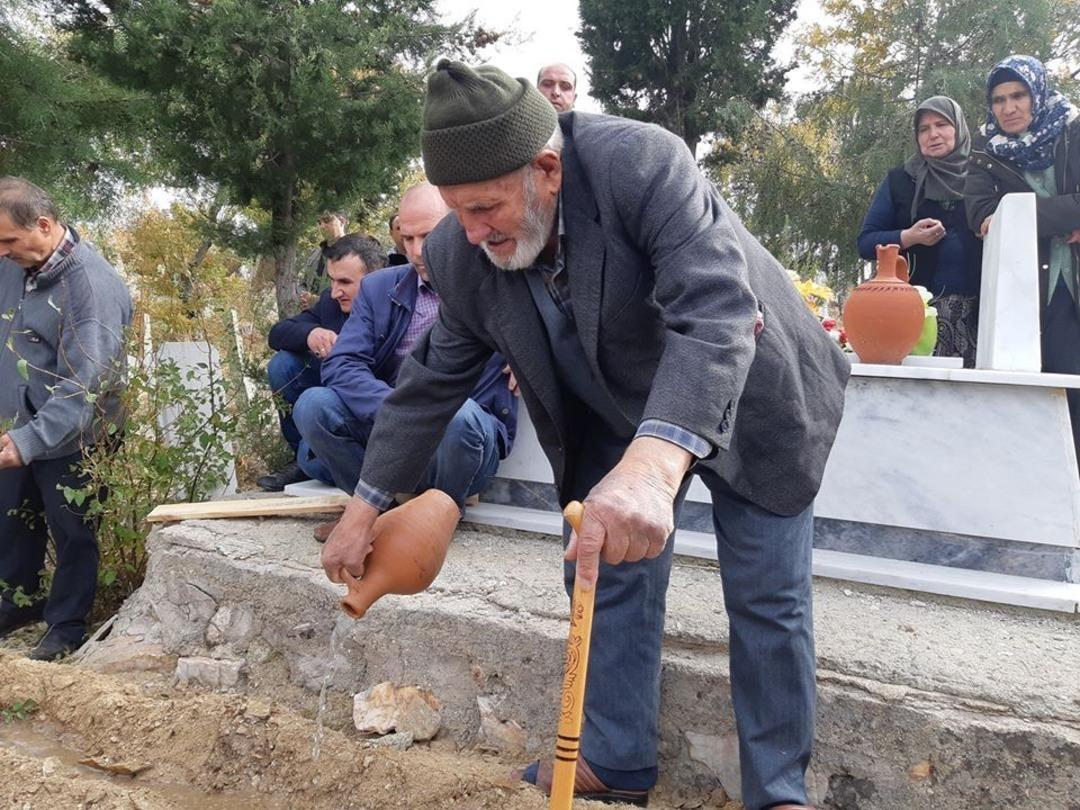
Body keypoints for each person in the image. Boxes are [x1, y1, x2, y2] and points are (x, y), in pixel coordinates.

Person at [321, 61, 849, 809]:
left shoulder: (640, 164)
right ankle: (614, 758)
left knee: (767, 595)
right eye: (455, 212)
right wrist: (363, 507)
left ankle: (779, 792)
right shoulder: (459, 250)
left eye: (486, 208)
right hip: (610, 405)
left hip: (751, 384)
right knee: (602, 573)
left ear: (546, 170)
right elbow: (427, 387)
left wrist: (654, 465)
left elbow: (715, 313)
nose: (470, 234)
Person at [293, 182, 517, 536]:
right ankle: (376, 513)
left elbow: (569, 318)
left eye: (427, 235)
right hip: (388, 436)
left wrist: (530, 356)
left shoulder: (502, 280)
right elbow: (341, 363)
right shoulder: (379, 288)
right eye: (408, 239)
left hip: (462, 438)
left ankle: (435, 522)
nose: (416, 251)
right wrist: (399, 411)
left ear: (460, 224)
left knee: (458, 414)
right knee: (312, 404)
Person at [0, 176, 132, 660]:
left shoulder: (90, 287)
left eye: (8, 241)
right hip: (19, 424)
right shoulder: (14, 266)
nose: (1, 251)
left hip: (80, 433)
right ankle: (19, 601)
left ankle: (67, 623)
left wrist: (30, 441)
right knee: (12, 518)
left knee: (72, 529)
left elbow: (84, 385)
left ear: (45, 225)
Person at [965, 55, 1080, 462]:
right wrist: (1064, 214)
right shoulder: (984, 153)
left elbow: (1007, 215)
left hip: (1072, 284)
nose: (1008, 108)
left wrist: (1018, 213)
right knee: (1029, 397)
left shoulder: (1073, 131)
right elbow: (982, 215)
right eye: (998, 99)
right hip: (1023, 292)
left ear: (1037, 95)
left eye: (1018, 96)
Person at [857, 96, 983, 366]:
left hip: (980, 317)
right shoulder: (901, 180)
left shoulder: (982, 177)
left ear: (959, 128)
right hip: (913, 318)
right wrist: (907, 237)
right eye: (923, 129)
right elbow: (865, 243)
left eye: (941, 124)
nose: (933, 134)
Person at [258, 234, 386, 491]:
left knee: (314, 460)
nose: (335, 291)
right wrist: (311, 334)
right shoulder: (331, 302)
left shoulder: (398, 303)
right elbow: (278, 333)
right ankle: (302, 459)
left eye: (345, 282)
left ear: (375, 278)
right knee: (283, 364)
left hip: (379, 413)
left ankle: (370, 476)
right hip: (332, 404)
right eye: (332, 280)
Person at [297, 211, 349, 302]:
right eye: (319, 222)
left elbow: (353, 293)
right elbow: (302, 283)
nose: (322, 226)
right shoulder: (314, 253)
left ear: (342, 221)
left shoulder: (353, 254)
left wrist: (316, 301)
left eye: (327, 221)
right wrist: (303, 296)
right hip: (309, 313)